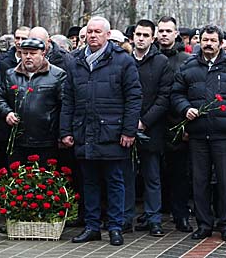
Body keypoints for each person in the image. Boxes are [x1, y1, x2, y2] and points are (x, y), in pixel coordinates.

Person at [60, 16, 142, 246]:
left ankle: (116, 227)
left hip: (113, 133)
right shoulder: (75, 61)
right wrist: (65, 130)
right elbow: (68, 99)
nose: (93, 35)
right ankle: (92, 226)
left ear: (107, 35)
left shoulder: (123, 61)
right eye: (90, 32)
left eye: (98, 32)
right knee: (89, 181)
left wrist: (128, 131)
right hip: (84, 132)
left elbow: (134, 98)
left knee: (115, 181)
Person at [171, 24, 226, 242]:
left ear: (220, 43)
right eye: (205, 40)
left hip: (225, 135)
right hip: (198, 134)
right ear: (199, 42)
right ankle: (204, 224)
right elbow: (176, 94)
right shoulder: (188, 67)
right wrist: (184, 107)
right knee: (200, 181)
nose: (208, 44)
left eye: (213, 41)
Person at [122, 19, 172, 236]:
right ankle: (124, 218)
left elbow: (164, 97)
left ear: (153, 38)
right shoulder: (123, 61)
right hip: (125, 129)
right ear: (133, 36)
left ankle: (154, 219)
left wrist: (144, 122)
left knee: (152, 177)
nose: (141, 39)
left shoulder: (161, 62)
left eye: (145, 35)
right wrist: (128, 123)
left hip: (151, 129)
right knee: (126, 176)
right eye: (138, 34)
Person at [0, 38, 66, 162]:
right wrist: (7, 112)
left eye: (32, 54)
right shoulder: (11, 75)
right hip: (17, 139)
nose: (28, 57)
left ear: (43, 54)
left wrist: (62, 134)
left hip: (46, 140)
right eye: (24, 53)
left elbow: (65, 105)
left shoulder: (57, 75)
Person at [157, 16, 192, 233]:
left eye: (168, 31)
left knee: (180, 174)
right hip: (154, 123)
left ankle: (181, 215)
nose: (164, 34)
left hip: (178, 124)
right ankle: (155, 214)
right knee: (154, 173)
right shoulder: (149, 57)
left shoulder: (186, 60)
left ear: (176, 33)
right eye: (161, 30)